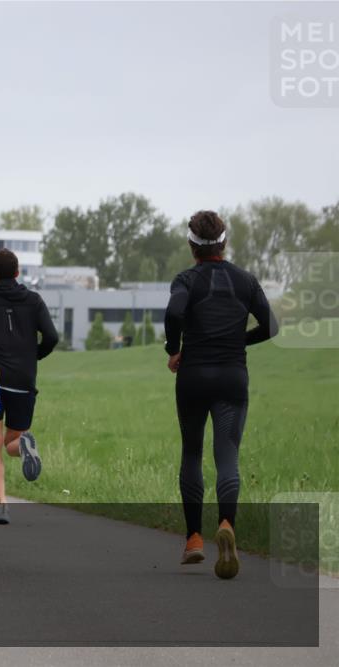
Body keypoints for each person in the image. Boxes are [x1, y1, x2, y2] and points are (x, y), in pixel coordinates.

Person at [164, 210, 278, 580]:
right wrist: (238, 340)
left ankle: (194, 538)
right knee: (227, 457)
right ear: (224, 243)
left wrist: (173, 348)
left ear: (191, 245)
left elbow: (173, 312)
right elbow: (271, 325)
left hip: (194, 377)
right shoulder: (245, 280)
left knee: (193, 452)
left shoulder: (186, 279)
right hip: (232, 377)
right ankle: (227, 523)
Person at [0, 248, 59, 525]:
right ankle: (24, 445)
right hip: (23, 378)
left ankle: (2, 506)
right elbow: (52, 336)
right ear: (18, 272)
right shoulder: (33, 300)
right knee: (12, 440)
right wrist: (33, 356)